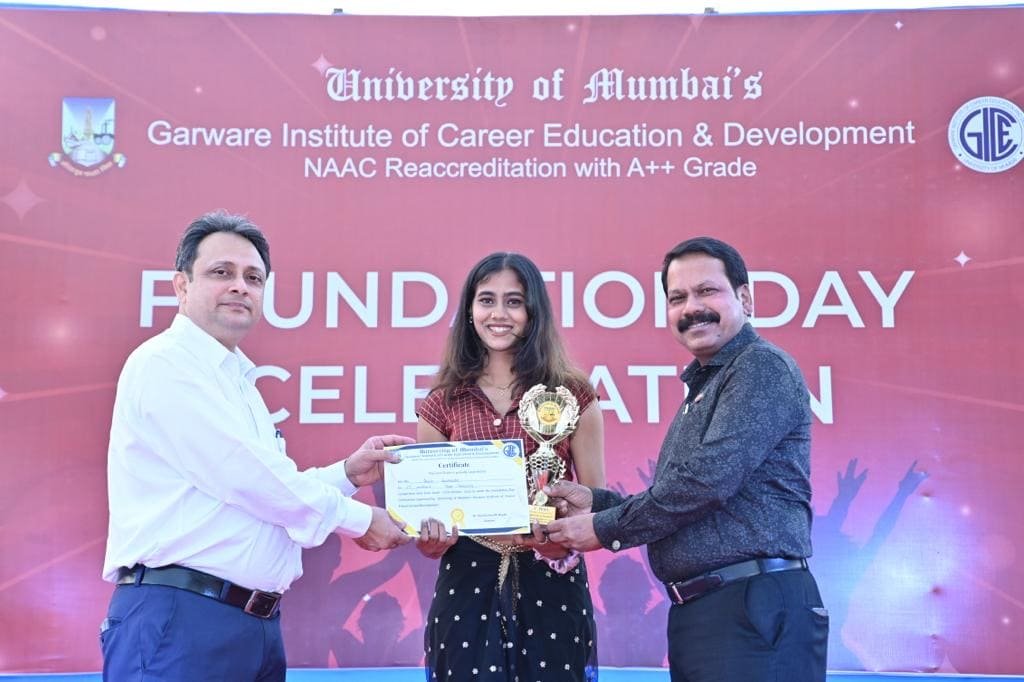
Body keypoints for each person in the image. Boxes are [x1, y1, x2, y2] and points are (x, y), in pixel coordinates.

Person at [100, 210, 412, 681]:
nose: (240, 287)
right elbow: (245, 476)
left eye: (253, 278)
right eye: (221, 272)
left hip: (251, 626)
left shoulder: (238, 382)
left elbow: (261, 489)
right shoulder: (164, 363)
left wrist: (347, 474)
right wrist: (362, 520)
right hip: (182, 620)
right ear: (181, 285)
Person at [545, 237, 829, 682]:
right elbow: (683, 499)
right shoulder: (706, 385)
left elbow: (707, 482)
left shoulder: (759, 367)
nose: (692, 308)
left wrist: (603, 528)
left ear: (745, 298)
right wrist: (596, 503)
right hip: (711, 612)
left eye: (706, 291)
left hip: (752, 611)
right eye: (677, 298)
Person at [415, 252, 605, 681]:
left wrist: (560, 540)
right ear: (469, 310)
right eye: (487, 300)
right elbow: (431, 521)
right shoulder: (442, 403)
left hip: (551, 579)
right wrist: (430, 541)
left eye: (514, 301)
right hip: (465, 581)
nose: (498, 314)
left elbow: (597, 505)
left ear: (534, 311)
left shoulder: (573, 394)